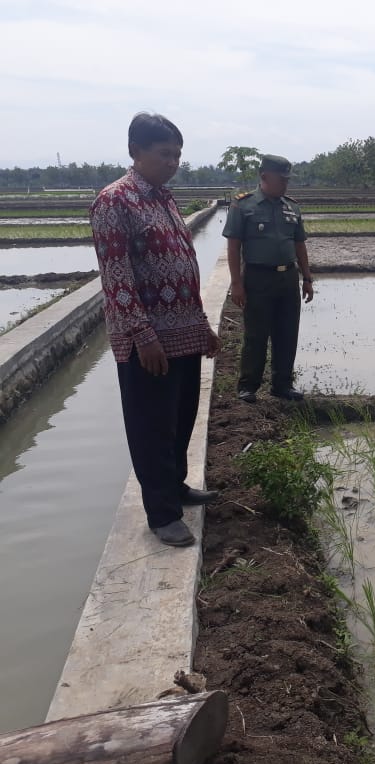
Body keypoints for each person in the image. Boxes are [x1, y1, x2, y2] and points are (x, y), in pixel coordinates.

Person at [90, 112, 220, 548]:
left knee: (181, 418)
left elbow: (185, 267)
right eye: (165, 154)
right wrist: (143, 336)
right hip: (150, 342)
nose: (173, 162)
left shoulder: (164, 199)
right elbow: (117, 277)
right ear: (135, 151)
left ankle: (177, 487)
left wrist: (202, 325)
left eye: (177, 155)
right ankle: (162, 514)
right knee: (151, 426)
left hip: (184, 333)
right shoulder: (114, 202)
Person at [224, 155, 314, 403]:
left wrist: (307, 278)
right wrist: (236, 283)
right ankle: (248, 386)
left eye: (288, 180)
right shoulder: (243, 206)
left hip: (288, 279)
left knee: (287, 333)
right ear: (264, 177)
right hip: (258, 278)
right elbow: (233, 247)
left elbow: (300, 245)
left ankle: (282, 384)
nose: (285, 184)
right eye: (281, 179)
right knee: (256, 334)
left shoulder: (292, 206)